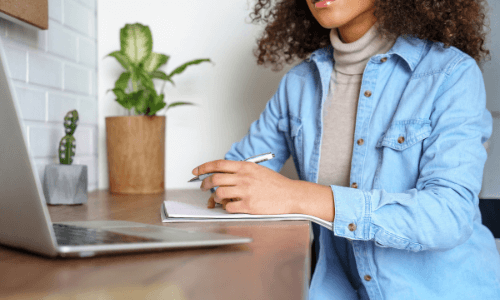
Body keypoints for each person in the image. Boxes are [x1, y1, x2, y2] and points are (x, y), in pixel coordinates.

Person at [192, 0, 500, 298]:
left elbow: (447, 216)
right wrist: (229, 184)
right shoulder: (299, 84)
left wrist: (296, 196)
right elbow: (243, 171)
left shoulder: (450, 74)